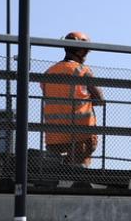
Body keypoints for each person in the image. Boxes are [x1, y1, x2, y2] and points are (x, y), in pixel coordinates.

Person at [41, 31, 105, 167]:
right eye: (86, 51)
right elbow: (100, 100)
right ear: (80, 50)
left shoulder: (48, 72)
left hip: (54, 135)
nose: (87, 55)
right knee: (78, 169)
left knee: (53, 171)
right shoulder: (82, 71)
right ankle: (77, 180)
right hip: (80, 133)